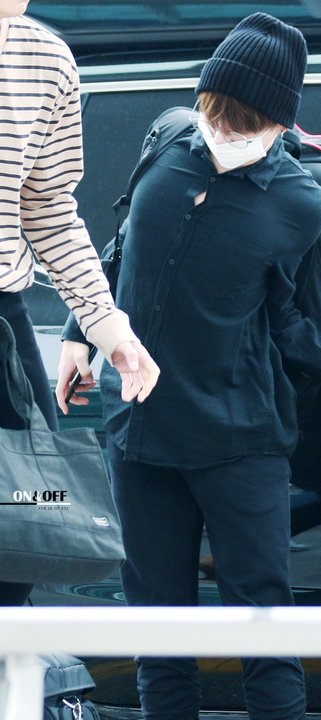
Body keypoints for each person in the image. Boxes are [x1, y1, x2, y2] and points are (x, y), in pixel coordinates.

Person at [59, 12, 321, 719]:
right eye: (215, 117)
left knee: (263, 629)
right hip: (140, 437)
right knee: (158, 635)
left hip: (239, 441)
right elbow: (121, 246)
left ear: (278, 124)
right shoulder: (168, 139)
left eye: (242, 126)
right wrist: (81, 329)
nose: (222, 135)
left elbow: (297, 317)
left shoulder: (301, 198)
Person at [0, 0, 159, 607]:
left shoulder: (45, 58)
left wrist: (106, 325)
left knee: (28, 520)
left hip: (4, 317)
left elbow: (47, 208)